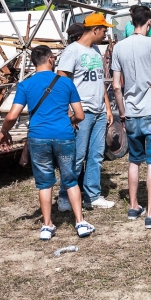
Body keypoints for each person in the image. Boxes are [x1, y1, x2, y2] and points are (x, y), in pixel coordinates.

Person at [0, 45, 95, 240]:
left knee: (44, 183)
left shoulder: (25, 85)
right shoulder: (66, 83)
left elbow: (12, 115)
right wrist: (68, 122)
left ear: (33, 62)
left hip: (38, 138)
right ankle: (80, 222)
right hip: (64, 136)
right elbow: (80, 115)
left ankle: (47, 225)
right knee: (70, 179)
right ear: (50, 59)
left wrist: (4, 131)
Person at [111, 5, 151, 229]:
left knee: (134, 161)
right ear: (148, 22)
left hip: (131, 111)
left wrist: (122, 111)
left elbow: (116, 86)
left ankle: (133, 207)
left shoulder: (119, 47)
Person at [55, 13, 115, 212]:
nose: (105, 33)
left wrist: (107, 107)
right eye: (104, 29)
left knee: (96, 155)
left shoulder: (96, 50)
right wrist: (69, 112)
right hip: (83, 113)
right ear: (95, 29)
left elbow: (99, 82)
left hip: (98, 112)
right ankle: (64, 196)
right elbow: (62, 83)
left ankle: (92, 195)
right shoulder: (72, 51)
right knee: (77, 156)